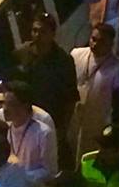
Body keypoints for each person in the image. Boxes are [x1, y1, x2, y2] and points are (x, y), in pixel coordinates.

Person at [14, 14, 79, 145]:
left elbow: (70, 99)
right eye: (35, 30)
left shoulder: (63, 61)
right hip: (22, 121)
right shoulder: (21, 54)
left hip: (50, 123)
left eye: (43, 31)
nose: (37, 35)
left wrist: (63, 129)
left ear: (52, 34)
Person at [70, 25, 119, 160]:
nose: (95, 44)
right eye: (93, 39)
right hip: (73, 118)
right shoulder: (76, 55)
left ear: (110, 44)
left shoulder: (118, 69)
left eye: (101, 41)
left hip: (98, 122)